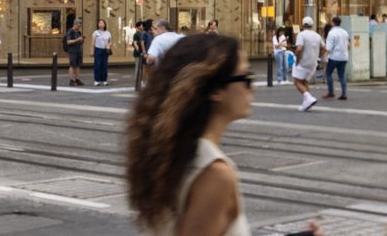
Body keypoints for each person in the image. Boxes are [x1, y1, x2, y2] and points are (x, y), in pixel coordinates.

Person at [123, 32, 300, 236]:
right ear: (216, 90)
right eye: (246, 78)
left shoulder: (176, 151)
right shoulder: (215, 173)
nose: (253, 89)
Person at [290, 15, 322, 112]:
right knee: (305, 82)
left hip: (303, 62)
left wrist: (297, 59)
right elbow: (324, 48)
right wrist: (318, 57)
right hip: (313, 63)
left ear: (303, 25)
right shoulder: (317, 36)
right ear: (312, 25)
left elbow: (299, 48)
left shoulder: (301, 35)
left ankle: (309, 98)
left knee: (297, 82)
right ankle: (306, 103)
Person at [322, 16, 351, 100]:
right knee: (342, 75)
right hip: (344, 56)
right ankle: (344, 93)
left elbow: (329, 47)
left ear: (333, 23)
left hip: (334, 57)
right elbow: (348, 45)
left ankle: (331, 92)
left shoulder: (332, 33)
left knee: (328, 73)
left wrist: (325, 56)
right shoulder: (345, 32)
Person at [63, 15, 86, 87]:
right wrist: (77, 40)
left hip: (78, 50)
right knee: (72, 65)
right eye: (79, 25)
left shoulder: (78, 32)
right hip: (72, 50)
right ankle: (71, 80)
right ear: (75, 24)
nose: (79, 27)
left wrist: (82, 40)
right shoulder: (70, 32)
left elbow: (80, 42)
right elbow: (68, 42)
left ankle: (77, 79)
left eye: (80, 26)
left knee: (78, 65)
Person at [93, 18, 112, 86]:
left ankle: (104, 80)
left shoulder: (107, 33)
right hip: (98, 49)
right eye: (100, 23)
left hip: (105, 50)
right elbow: (93, 42)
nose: (101, 24)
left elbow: (110, 41)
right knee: (97, 65)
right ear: (98, 25)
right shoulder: (95, 32)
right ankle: (97, 80)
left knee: (105, 65)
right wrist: (92, 51)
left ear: (104, 24)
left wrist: (109, 45)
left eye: (102, 23)